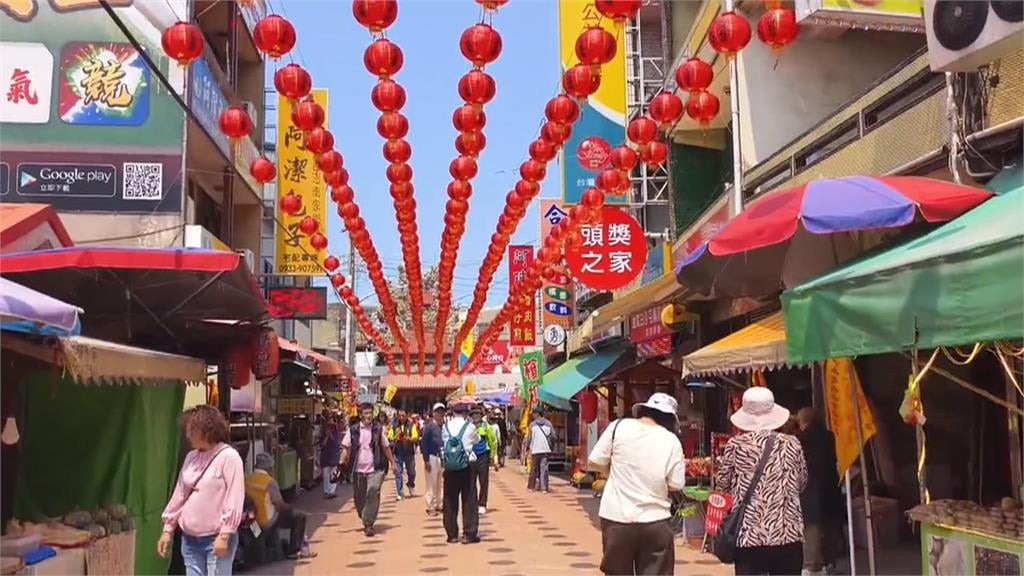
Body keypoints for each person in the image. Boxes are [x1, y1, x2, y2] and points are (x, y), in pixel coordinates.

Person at [588, 392, 686, 576]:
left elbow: (595, 460)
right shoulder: (671, 441)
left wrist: (615, 472)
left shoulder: (618, 427)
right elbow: (676, 483)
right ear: (669, 419)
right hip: (655, 521)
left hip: (617, 518)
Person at [717, 387, 808, 576]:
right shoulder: (792, 443)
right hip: (788, 534)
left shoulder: (736, 445)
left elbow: (723, 484)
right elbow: (802, 483)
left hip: (750, 536)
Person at [159, 405, 245, 575]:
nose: (187, 435)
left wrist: (224, 535)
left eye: (191, 430)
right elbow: (180, 494)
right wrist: (167, 530)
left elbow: (235, 498)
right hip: (190, 540)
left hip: (216, 539)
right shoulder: (191, 457)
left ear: (205, 430)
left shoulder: (229, 457)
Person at [796, 407, 845, 576]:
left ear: (804, 422)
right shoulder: (830, 437)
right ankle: (829, 560)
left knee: (812, 528)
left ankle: (812, 565)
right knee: (830, 524)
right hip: (831, 486)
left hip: (810, 489)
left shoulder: (799, 439)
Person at [341, 403, 397, 537]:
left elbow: (386, 447)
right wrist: (342, 460)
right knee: (359, 498)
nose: (368, 416)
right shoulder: (353, 430)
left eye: (370, 413)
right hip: (357, 469)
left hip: (376, 468)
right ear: (361, 415)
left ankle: (369, 523)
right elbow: (346, 447)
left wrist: (393, 463)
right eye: (365, 413)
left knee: (373, 491)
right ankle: (365, 516)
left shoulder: (378, 429)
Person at [244, 453, 314, 559]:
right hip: (267, 521)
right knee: (300, 516)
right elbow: (279, 505)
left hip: (252, 521)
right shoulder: (270, 482)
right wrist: (290, 508)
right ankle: (294, 550)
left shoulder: (248, 479)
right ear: (269, 468)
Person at [441, 402, 481, 544]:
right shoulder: (470, 427)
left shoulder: (445, 427)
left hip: (450, 467)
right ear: (465, 413)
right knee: (469, 499)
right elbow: (477, 440)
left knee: (450, 500)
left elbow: (443, 443)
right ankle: (469, 533)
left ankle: (452, 534)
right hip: (467, 466)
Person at [470, 407, 500, 515]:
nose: (476, 416)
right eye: (474, 415)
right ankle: (472, 503)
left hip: (483, 456)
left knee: (483, 481)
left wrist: (493, 455)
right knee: (470, 482)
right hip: (471, 456)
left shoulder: (486, 426)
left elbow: (493, 441)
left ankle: (482, 504)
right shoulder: (468, 427)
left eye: (478, 414)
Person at [387, 409, 420, 500]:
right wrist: (395, 437)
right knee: (398, 472)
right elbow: (389, 437)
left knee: (412, 472)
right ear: (397, 416)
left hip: (409, 452)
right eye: (400, 415)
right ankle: (400, 492)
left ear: (406, 416)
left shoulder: (411, 425)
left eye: (403, 415)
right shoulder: (393, 426)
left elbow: (415, 437)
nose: (401, 417)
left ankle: (410, 484)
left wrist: (408, 439)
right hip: (398, 452)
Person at [420, 402, 446, 516]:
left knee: (441, 482)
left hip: (442, 457)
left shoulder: (445, 426)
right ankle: (430, 506)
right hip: (431, 457)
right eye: (438, 412)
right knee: (431, 483)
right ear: (434, 413)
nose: (440, 414)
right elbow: (423, 443)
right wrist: (426, 460)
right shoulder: (429, 427)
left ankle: (439, 504)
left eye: (442, 412)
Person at [525, 406, 554, 493]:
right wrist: (551, 446)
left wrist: (527, 448)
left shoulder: (532, 425)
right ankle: (544, 488)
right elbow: (553, 436)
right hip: (545, 449)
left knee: (533, 469)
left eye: (534, 413)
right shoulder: (549, 424)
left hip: (535, 450)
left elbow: (529, 438)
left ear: (537, 414)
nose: (533, 415)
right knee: (544, 469)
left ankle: (531, 487)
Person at [318, 416, 343, 499]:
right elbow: (322, 445)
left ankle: (332, 491)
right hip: (325, 457)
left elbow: (337, 442)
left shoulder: (336, 433)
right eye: (329, 425)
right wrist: (326, 436)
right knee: (325, 475)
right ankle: (326, 491)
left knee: (333, 475)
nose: (330, 427)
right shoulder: (323, 434)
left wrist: (330, 435)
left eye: (331, 425)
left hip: (334, 456)